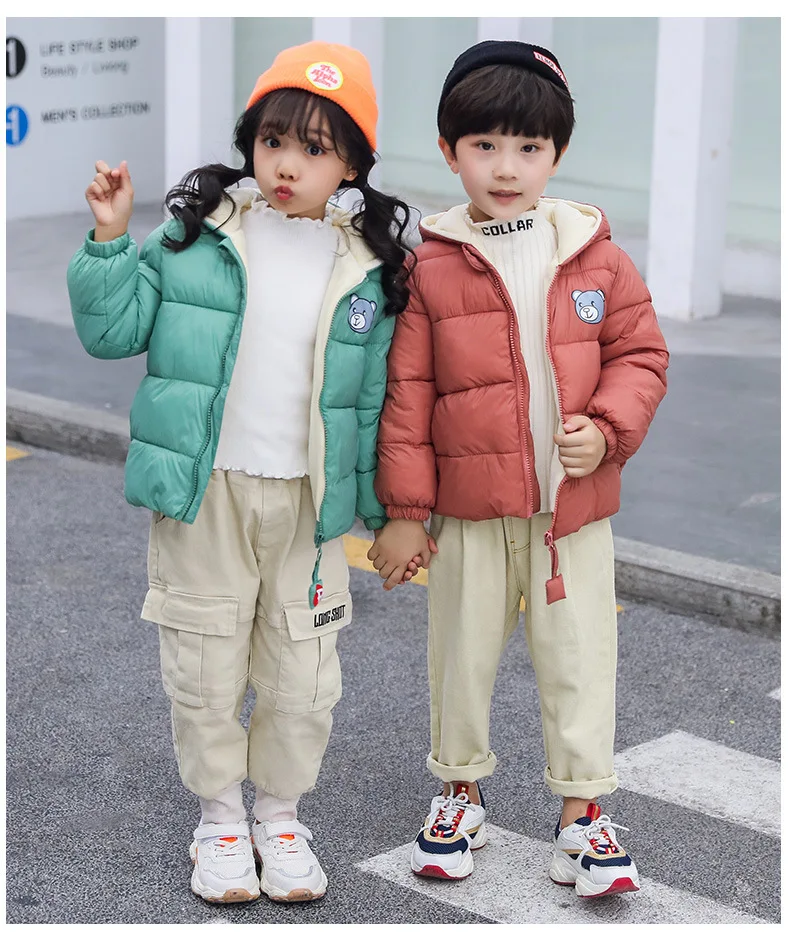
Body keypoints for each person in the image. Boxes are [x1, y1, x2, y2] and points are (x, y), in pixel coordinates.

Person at [67, 41, 429, 905]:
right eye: (272, 141)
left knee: (303, 678)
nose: (287, 165)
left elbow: (375, 402)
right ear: (250, 145)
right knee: (204, 666)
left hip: (311, 506)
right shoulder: (197, 235)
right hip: (208, 493)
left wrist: (393, 514)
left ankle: (280, 815)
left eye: (314, 149)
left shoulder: (370, 267)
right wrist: (111, 237)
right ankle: (220, 820)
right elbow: (111, 333)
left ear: (352, 165)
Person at [368, 40, 669, 898]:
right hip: (470, 511)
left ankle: (582, 817)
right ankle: (458, 795)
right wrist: (405, 513)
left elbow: (641, 355)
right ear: (449, 151)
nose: (506, 167)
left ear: (556, 154)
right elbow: (408, 395)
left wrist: (606, 432)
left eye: (529, 147)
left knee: (579, 658)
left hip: (572, 514)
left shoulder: (595, 254)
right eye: (485, 145)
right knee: (460, 658)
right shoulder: (430, 263)